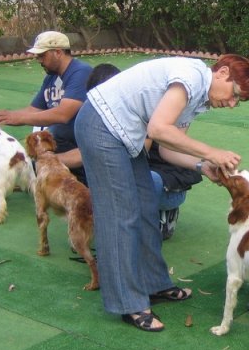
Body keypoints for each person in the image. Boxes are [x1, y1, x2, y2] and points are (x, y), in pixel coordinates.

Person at [74, 54, 249, 332]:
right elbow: (158, 128)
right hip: (101, 125)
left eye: (238, 102)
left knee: (147, 204)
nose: (232, 104)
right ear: (221, 73)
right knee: (120, 215)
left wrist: (201, 165)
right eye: (234, 95)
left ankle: (153, 284)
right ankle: (129, 303)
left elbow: (166, 147)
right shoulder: (192, 78)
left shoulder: (198, 99)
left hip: (125, 132)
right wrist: (212, 152)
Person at [65, 62, 202, 239]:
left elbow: (135, 149)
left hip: (166, 182)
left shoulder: (146, 106)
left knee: (132, 178)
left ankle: (161, 215)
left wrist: (48, 161)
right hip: (144, 169)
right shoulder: (101, 109)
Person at [0, 31, 92, 184]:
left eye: (42, 55)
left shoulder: (80, 72)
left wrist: (18, 117)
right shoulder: (51, 77)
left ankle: (81, 180)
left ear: (58, 52)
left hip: (81, 139)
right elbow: (34, 109)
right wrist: (4, 116)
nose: (38, 60)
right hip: (64, 138)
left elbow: (63, 114)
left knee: (54, 132)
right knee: (42, 139)